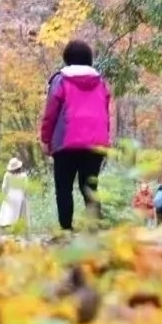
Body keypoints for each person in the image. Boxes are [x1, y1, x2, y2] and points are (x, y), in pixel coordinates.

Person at [39, 39, 113, 232]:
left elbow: (51, 113)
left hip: (66, 143)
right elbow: (105, 114)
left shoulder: (60, 81)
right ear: (89, 59)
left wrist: (45, 139)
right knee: (89, 186)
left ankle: (66, 229)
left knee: (64, 187)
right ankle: (94, 228)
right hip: (95, 143)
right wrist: (106, 139)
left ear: (66, 59)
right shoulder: (101, 82)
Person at [0, 157, 29, 231]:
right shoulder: (23, 176)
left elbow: (4, 187)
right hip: (19, 195)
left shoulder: (7, 175)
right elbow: (25, 187)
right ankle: (18, 225)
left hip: (10, 194)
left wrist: (4, 194)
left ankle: (6, 224)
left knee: (8, 210)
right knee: (18, 211)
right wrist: (25, 195)